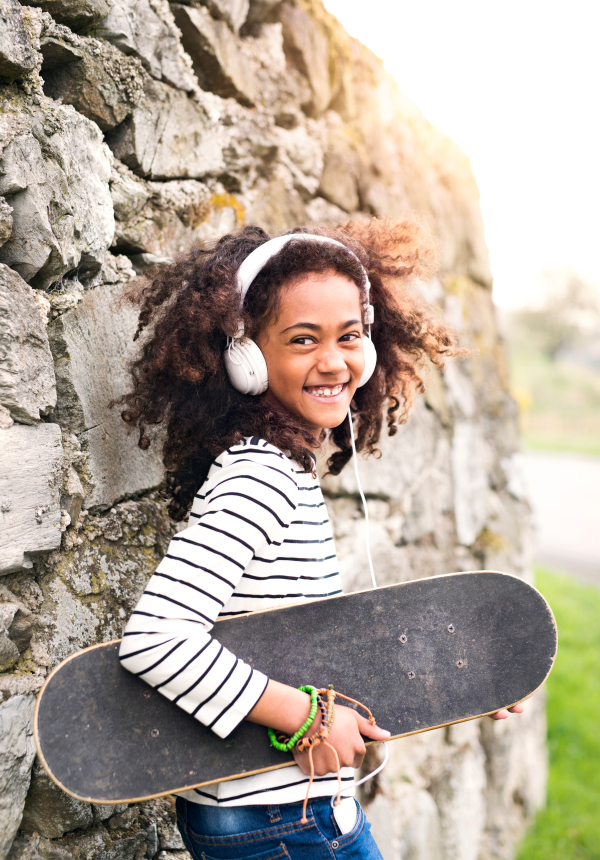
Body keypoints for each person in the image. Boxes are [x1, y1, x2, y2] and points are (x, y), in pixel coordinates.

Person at [116, 219, 523, 860]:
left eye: (349, 337)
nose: (333, 361)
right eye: (302, 340)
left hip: (280, 812)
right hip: (281, 818)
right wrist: (307, 719)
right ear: (247, 358)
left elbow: (303, 650)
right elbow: (157, 639)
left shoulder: (283, 466)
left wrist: (451, 679)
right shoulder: (261, 476)